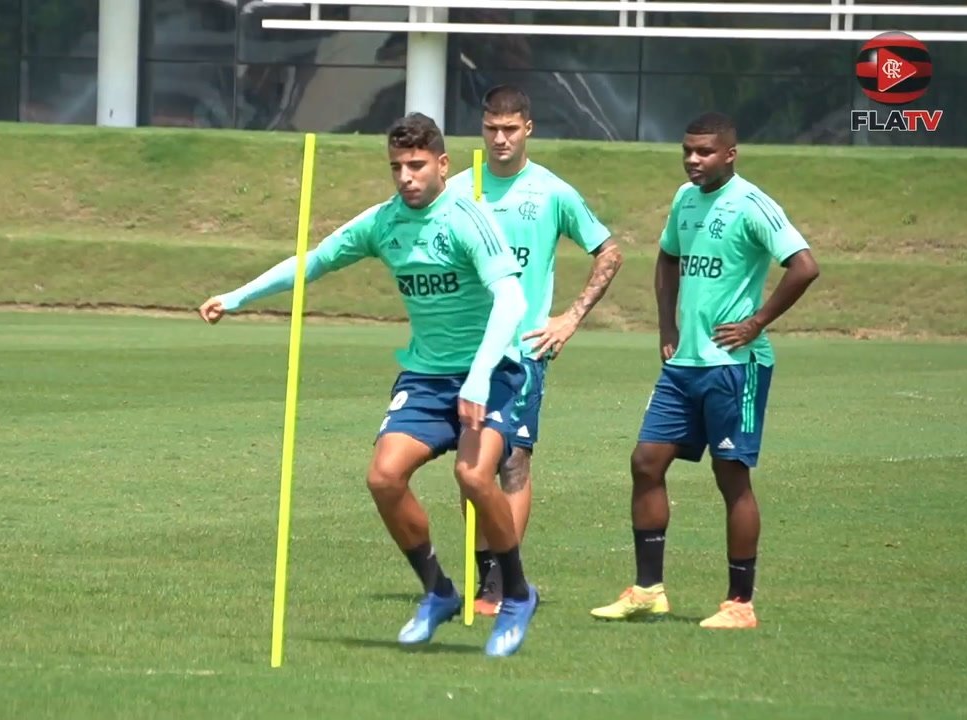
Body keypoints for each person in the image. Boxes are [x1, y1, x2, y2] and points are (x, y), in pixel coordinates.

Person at [198, 113, 540, 656]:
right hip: (427, 376)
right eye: (397, 166)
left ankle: (517, 595)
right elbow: (314, 262)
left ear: (443, 165)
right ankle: (439, 592)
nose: (406, 176)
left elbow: (512, 300)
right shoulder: (383, 223)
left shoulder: (466, 219)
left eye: (417, 165)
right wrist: (237, 297)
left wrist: (478, 377)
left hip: (491, 371)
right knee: (383, 478)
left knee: (474, 478)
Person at [590, 111, 820, 629]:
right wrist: (666, 327)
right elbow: (668, 258)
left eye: (705, 152)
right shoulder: (684, 199)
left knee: (730, 476)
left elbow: (804, 265)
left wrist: (757, 322)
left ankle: (740, 605)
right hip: (684, 363)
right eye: (688, 151)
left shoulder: (751, 204)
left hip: (734, 366)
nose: (694, 160)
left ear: (730, 155)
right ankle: (648, 591)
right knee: (646, 463)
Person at [446, 85, 623, 616]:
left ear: (529, 129)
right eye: (490, 129)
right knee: (470, 465)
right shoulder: (458, 190)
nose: (499, 139)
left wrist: (568, 319)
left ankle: (503, 582)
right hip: (467, 353)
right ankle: (486, 580)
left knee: (514, 462)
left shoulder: (551, 193)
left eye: (509, 129)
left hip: (523, 354)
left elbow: (609, 252)